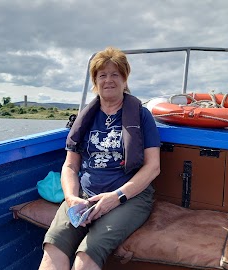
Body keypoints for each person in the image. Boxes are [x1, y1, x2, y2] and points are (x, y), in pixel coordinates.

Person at [39, 47, 161, 270]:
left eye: (115, 74)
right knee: (53, 248)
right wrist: (72, 198)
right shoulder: (86, 118)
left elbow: (153, 167)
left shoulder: (141, 115)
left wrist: (116, 197)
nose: (108, 80)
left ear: (125, 79)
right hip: (83, 196)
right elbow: (70, 165)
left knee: (85, 259)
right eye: (102, 75)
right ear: (95, 81)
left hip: (129, 197)